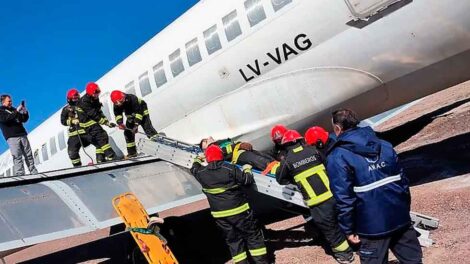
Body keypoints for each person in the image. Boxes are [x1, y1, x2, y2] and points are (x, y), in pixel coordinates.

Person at [326, 108, 422, 264]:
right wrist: (404, 210)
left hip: (370, 228)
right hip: (400, 219)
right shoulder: (384, 145)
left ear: (337, 128)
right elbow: (403, 181)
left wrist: (348, 229)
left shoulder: (337, 157)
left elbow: (344, 198)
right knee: (413, 261)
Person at [275, 130, 354, 264]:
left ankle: (345, 255)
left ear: (286, 145)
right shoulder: (314, 150)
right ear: (299, 140)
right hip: (334, 194)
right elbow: (327, 164)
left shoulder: (287, 162)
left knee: (331, 230)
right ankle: (357, 242)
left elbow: (280, 179)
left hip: (317, 203)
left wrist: (294, 180)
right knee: (345, 220)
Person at [190, 144, 268, 264]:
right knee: (253, 236)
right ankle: (261, 262)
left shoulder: (201, 173)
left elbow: (193, 169)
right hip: (240, 212)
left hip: (221, 217)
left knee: (233, 241)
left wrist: (197, 160)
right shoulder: (230, 169)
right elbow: (247, 181)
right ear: (221, 156)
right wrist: (247, 169)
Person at [110, 90, 159, 158]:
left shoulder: (132, 98)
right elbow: (118, 115)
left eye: (121, 101)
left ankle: (160, 144)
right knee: (128, 133)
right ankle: (132, 153)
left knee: (148, 128)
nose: (119, 104)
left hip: (142, 111)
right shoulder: (116, 105)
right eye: (117, 103)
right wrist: (120, 123)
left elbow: (139, 113)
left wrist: (136, 125)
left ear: (123, 96)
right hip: (131, 115)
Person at [0, 95, 38, 175]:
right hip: (12, 137)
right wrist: (17, 111)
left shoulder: (14, 110)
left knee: (28, 154)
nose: (11, 102)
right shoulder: (1, 111)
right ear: (3, 102)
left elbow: (23, 119)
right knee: (17, 156)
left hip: (22, 134)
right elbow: (7, 119)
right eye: (9, 101)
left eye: (11, 101)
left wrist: (24, 111)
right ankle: (20, 173)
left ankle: (33, 171)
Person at [79, 82, 116, 162]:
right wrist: (104, 122)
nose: (98, 94)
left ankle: (100, 159)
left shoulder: (95, 98)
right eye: (96, 93)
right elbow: (93, 114)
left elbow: (99, 111)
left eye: (98, 92)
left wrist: (107, 121)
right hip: (86, 125)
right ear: (90, 93)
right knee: (102, 137)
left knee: (101, 139)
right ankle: (111, 156)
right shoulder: (84, 102)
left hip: (92, 123)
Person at [199, 136, 278, 174]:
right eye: (206, 141)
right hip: (238, 156)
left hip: (243, 151)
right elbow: (222, 152)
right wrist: (238, 145)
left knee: (265, 157)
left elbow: (233, 144)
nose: (209, 138)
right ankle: (277, 171)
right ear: (205, 149)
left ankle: (279, 166)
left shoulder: (220, 142)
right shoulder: (212, 150)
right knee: (260, 160)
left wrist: (240, 144)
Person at [60, 89, 96, 167]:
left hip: (86, 131)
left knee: (99, 142)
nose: (76, 100)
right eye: (74, 99)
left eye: (77, 98)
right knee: (72, 152)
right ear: (69, 99)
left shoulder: (83, 105)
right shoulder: (66, 109)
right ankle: (77, 167)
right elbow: (63, 121)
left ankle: (101, 160)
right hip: (74, 134)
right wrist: (72, 121)